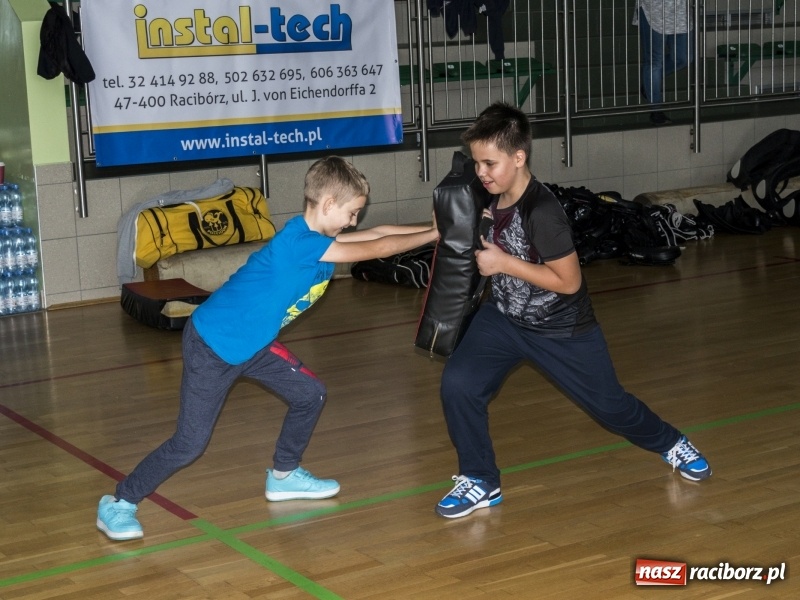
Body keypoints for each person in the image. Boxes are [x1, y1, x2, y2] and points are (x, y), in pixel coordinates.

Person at [97, 156, 439, 540]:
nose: (353, 222)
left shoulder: (318, 239)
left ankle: (284, 475)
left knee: (310, 394)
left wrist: (433, 227)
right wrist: (432, 237)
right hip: (214, 345)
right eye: (351, 213)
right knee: (189, 444)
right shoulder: (299, 244)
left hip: (254, 345)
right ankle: (119, 503)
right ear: (328, 204)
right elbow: (379, 248)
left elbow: (378, 233)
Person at [434, 102, 711, 519]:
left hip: (561, 328)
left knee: (611, 407)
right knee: (458, 385)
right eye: (476, 163)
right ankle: (480, 479)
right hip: (505, 318)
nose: (481, 172)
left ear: (519, 157)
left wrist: (503, 263)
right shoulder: (488, 193)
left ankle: (671, 442)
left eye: (489, 163)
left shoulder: (543, 212)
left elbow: (569, 282)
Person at [635, 0, 694, 125]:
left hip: (681, 12)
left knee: (684, 58)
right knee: (654, 62)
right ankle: (656, 111)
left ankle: (648, 85)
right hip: (653, 10)